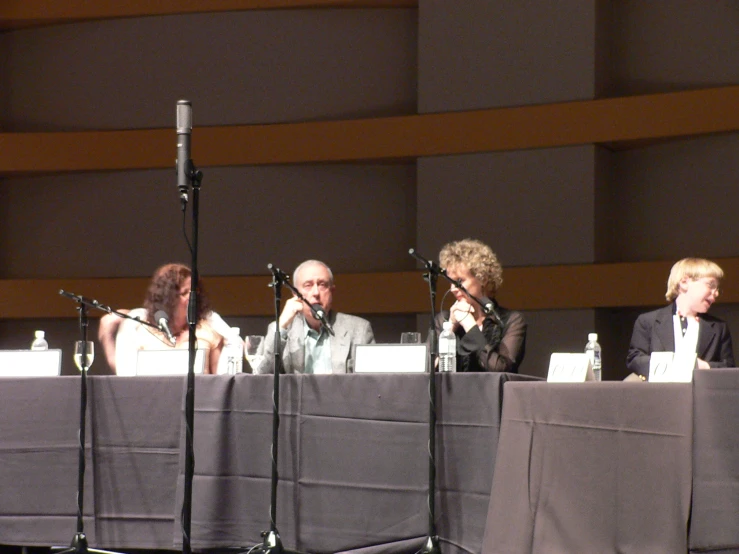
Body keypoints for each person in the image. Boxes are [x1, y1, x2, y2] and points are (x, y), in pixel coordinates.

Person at [98, 263, 225, 375]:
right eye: (184, 293)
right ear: (167, 298)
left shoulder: (208, 329)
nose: (192, 298)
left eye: (194, 292)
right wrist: (107, 337)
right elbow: (125, 375)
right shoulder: (141, 329)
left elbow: (219, 381)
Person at [255, 259, 375, 374]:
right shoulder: (281, 329)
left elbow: (372, 383)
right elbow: (261, 376)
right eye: (308, 285)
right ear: (295, 294)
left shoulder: (359, 329)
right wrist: (281, 327)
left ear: (332, 291)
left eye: (322, 285)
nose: (316, 293)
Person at [626, 257, 734, 379]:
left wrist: (703, 366)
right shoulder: (648, 321)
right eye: (710, 285)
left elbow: (728, 367)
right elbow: (635, 359)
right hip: (659, 394)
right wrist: (675, 365)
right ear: (684, 283)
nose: (716, 293)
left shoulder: (719, 327)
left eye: (717, 288)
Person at [435, 238, 526, 373]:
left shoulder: (511, 320)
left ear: (482, 278)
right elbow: (426, 373)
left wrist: (470, 326)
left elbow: (500, 370)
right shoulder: (443, 319)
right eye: (450, 281)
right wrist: (450, 329)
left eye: (460, 281)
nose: (453, 288)